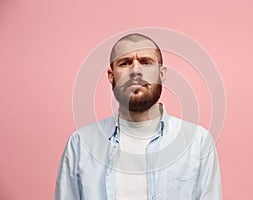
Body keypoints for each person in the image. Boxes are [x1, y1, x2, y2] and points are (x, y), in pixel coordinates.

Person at [55, 33, 222, 200]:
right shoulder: (80, 144)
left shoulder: (197, 142)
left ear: (161, 74)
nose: (135, 71)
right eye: (125, 63)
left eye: (146, 62)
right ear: (111, 76)